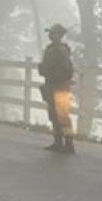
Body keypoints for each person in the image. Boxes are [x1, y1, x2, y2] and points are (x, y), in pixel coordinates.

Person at [38, 23, 76, 154]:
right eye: (51, 33)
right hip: (51, 83)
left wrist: (63, 78)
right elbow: (44, 67)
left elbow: (67, 69)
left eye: (53, 33)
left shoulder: (62, 50)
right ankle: (57, 141)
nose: (51, 35)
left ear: (60, 35)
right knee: (53, 115)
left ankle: (69, 143)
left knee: (63, 115)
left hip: (60, 85)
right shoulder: (50, 49)